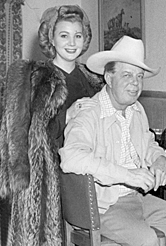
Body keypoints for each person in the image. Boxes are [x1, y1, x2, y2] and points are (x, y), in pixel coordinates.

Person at [59, 36, 166, 246]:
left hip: (138, 199)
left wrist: (160, 160)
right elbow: (71, 158)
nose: (135, 83)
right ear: (109, 78)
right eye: (127, 75)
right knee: (149, 241)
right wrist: (128, 175)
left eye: (139, 76)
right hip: (103, 206)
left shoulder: (137, 110)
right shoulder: (88, 113)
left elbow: (149, 144)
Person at [0, 5, 103, 245]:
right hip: (43, 179)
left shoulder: (93, 81)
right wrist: (68, 117)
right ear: (51, 40)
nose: (71, 42)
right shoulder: (33, 77)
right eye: (64, 35)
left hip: (83, 177)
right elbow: (20, 133)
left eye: (78, 35)